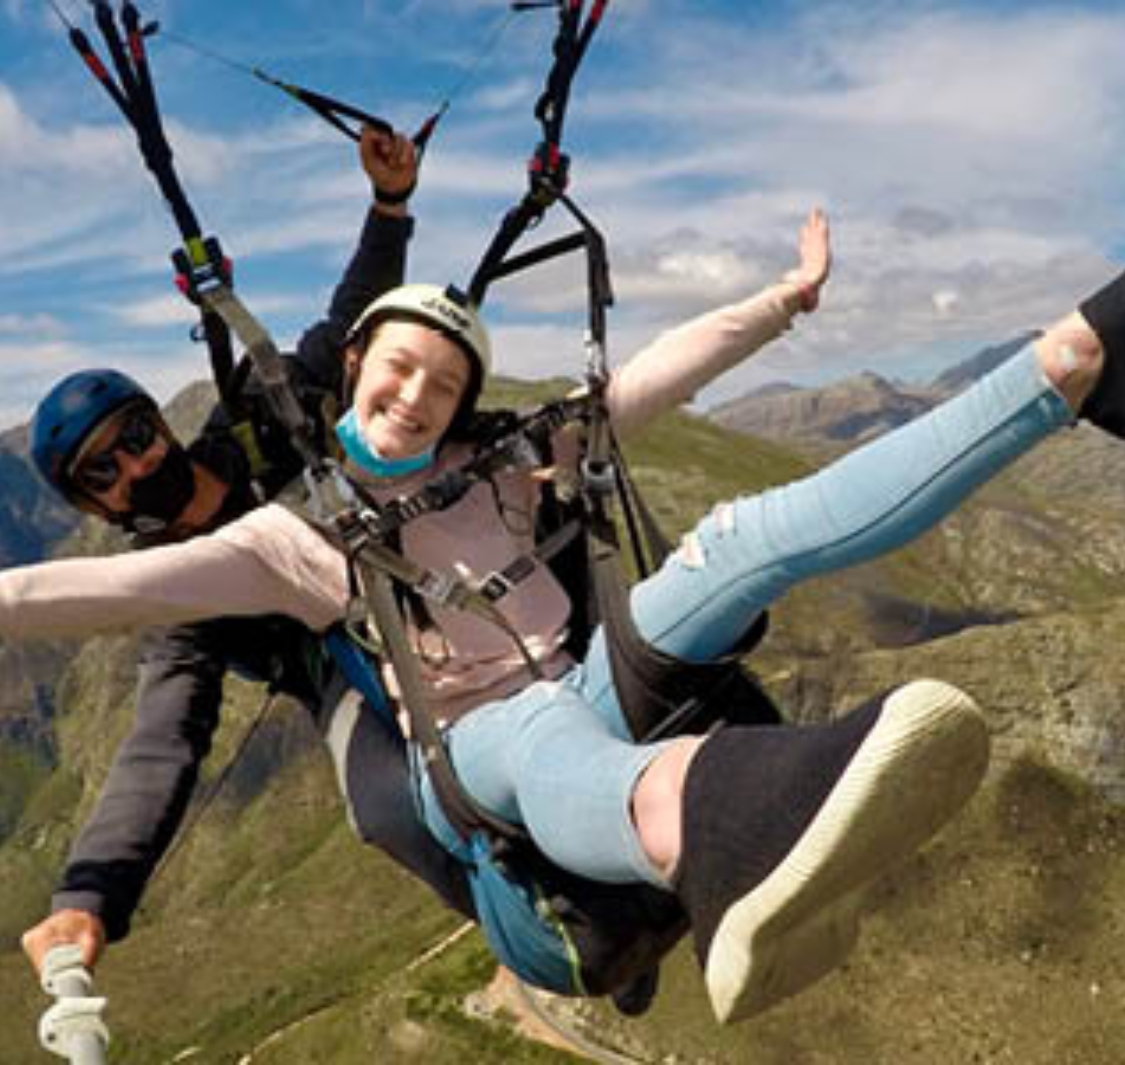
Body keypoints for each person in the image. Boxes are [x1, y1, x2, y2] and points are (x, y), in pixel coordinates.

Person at [9, 209, 1120, 1023]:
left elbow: (649, 384)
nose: (412, 398)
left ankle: (1063, 367)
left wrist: (783, 302)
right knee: (526, 747)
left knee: (738, 542)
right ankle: (718, 845)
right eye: (394, 373)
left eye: (440, 386)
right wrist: (89, 895)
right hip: (468, 746)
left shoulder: (506, 457)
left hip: (581, 677)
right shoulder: (283, 542)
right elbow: (102, 610)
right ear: (354, 372)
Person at [18, 124, 478, 980]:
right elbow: (160, 743)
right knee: (391, 811)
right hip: (338, 670)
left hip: (436, 577)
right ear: (94, 504)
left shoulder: (259, 416)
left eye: (137, 435)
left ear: (161, 420)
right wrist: (86, 898)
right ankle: (542, 919)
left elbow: (346, 326)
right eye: (104, 471)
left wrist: (390, 205)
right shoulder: (183, 599)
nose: (137, 464)